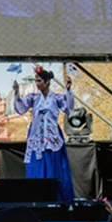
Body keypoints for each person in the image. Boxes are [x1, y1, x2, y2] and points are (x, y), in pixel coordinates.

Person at [12, 66, 75, 201]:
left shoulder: (56, 97)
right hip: (37, 134)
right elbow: (21, 108)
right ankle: (36, 197)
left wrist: (68, 90)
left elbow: (68, 108)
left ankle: (57, 197)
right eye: (36, 81)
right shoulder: (33, 98)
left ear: (46, 82)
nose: (37, 84)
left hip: (52, 134)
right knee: (37, 164)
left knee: (54, 165)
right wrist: (17, 92)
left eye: (39, 81)